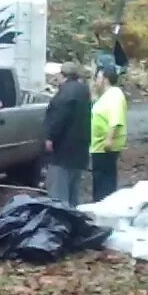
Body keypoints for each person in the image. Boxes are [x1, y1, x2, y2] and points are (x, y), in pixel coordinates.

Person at [42, 62, 91, 206]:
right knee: (73, 192)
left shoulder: (64, 94)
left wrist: (50, 138)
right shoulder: (84, 91)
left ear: (62, 75)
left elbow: (58, 118)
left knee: (59, 194)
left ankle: (61, 224)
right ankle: (74, 222)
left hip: (62, 152)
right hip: (79, 150)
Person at [90, 55, 128, 202]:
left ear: (105, 78)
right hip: (98, 146)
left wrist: (109, 139)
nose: (96, 80)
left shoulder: (115, 95)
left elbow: (115, 119)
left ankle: (103, 207)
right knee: (99, 181)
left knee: (104, 184)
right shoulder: (105, 95)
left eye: (98, 76)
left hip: (105, 147)